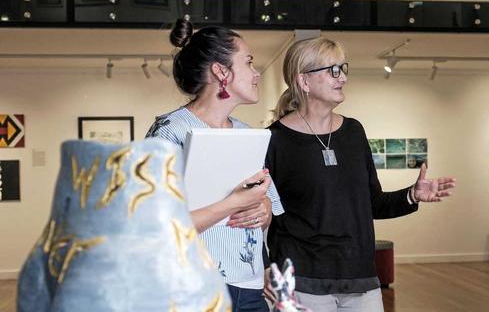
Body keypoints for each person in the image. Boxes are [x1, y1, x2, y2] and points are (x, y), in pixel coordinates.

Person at [264, 37, 456, 311]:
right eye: (332, 70)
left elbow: (372, 203)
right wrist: (263, 268)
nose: (341, 77)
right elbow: (259, 214)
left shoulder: (354, 132)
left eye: (343, 68)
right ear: (304, 81)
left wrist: (412, 195)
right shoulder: (274, 140)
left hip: (360, 278)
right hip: (300, 281)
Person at [146, 19, 284, 312]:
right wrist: (233, 204)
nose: (256, 73)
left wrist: (264, 211)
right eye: (248, 63)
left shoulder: (250, 135)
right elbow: (158, 225)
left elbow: (268, 211)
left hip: (250, 287)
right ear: (221, 71)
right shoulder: (169, 131)